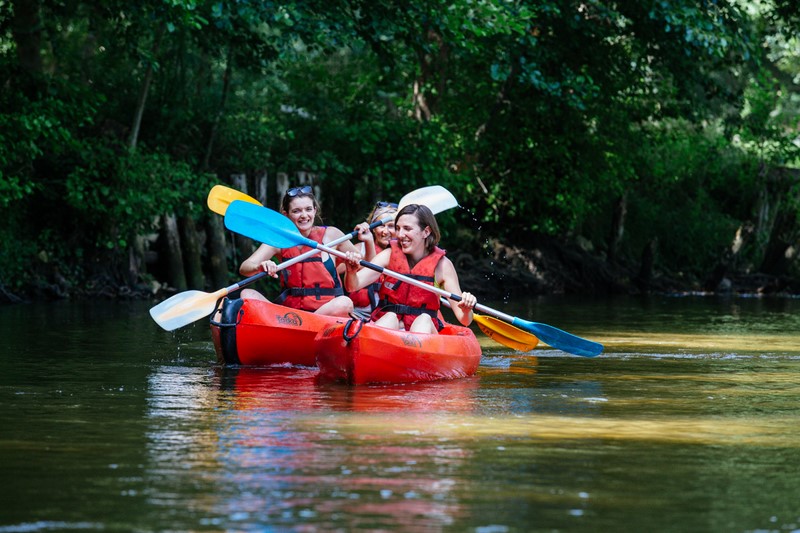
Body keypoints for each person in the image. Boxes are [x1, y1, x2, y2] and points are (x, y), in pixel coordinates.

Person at [239, 185, 374, 317]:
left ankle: (301, 326)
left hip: (327, 314)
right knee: (247, 294)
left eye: (308, 209)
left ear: (315, 210)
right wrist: (259, 266)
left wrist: (367, 242)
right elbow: (245, 268)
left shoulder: (332, 236)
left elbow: (365, 263)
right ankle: (295, 326)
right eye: (296, 211)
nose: (304, 215)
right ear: (286, 215)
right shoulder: (279, 241)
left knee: (345, 303)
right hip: (289, 315)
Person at [344, 203, 477, 333]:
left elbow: (465, 320)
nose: (400, 234)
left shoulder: (442, 266)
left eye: (407, 229)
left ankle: (417, 350)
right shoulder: (389, 255)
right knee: (390, 317)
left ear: (426, 232)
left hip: (422, 332)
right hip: (389, 330)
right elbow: (352, 286)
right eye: (398, 228)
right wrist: (351, 271)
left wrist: (466, 309)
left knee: (423, 320)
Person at [348, 201, 398, 313]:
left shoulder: (406, 255)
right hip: (358, 314)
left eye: (391, 226)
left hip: (391, 314)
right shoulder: (358, 249)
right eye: (381, 226)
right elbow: (332, 272)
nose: (385, 231)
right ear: (373, 228)